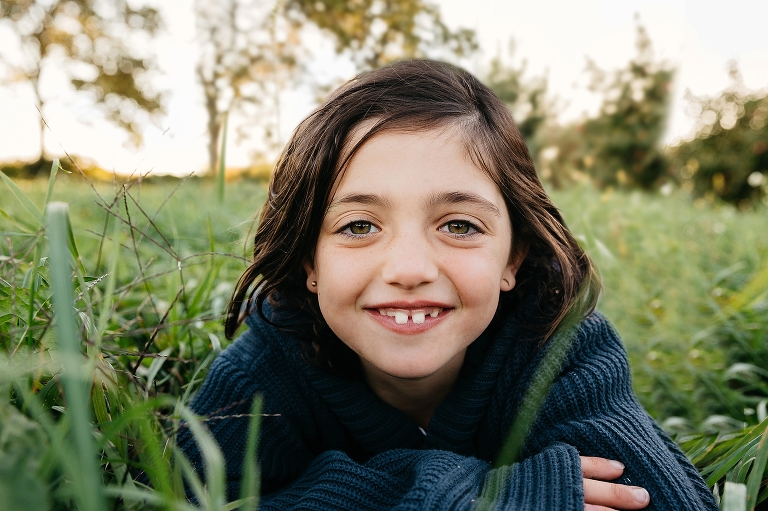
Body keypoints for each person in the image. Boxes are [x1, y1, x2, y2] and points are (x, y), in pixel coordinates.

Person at [178, 60, 717, 510]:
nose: (409, 268)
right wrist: (479, 496)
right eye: (358, 226)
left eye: (460, 226)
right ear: (309, 264)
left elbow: (662, 502)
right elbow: (185, 499)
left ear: (514, 256)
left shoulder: (558, 348)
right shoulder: (267, 365)